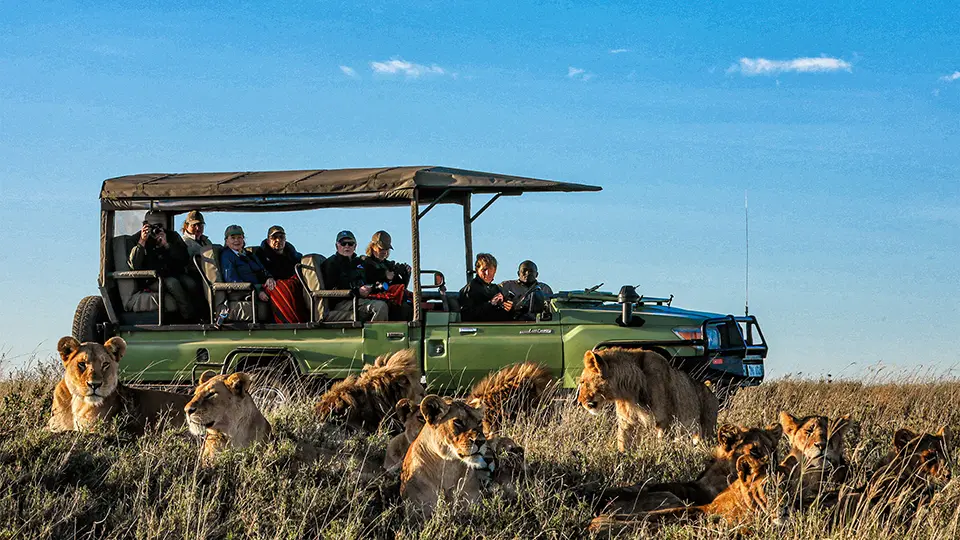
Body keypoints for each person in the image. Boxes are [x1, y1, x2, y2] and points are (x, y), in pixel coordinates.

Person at [219, 225, 303, 324]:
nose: (236, 241)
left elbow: (262, 269)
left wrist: (269, 278)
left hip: (261, 286)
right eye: (233, 238)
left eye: (239, 237)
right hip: (247, 291)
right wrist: (257, 291)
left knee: (289, 285)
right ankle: (288, 323)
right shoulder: (227, 256)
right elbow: (232, 280)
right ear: (226, 241)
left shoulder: (248, 254)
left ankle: (299, 319)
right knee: (280, 290)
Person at [128, 209, 202, 322]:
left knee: (191, 283)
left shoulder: (172, 236)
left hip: (173, 272)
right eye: (152, 226)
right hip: (152, 278)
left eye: (159, 226)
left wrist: (167, 245)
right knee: (173, 284)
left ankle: (202, 314)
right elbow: (134, 265)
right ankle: (189, 318)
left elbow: (184, 258)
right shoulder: (137, 238)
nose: (155, 230)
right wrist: (142, 241)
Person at [320, 230, 389, 322]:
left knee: (393, 302)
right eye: (343, 243)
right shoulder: (331, 264)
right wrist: (357, 291)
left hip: (359, 299)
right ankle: (376, 336)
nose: (347, 246)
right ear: (337, 246)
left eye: (350, 243)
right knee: (380, 307)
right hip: (342, 302)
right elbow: (331, 290)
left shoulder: (359, 263)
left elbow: (372, 277)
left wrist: (381, 281)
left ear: (355, 246)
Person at [254, 225, 307, 323]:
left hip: (291, 282)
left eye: (281, 237)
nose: (278, 240)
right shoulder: (259, 254)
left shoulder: (294, 255)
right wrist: (267, 277)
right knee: (279, 288)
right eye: (274, 237)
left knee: (297, 286)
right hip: (271, 284)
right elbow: (258, 270)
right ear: (268, 239)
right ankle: (288, 322)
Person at [361, 230, 413, 320]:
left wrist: (405, 275)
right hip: (372, 298)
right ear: (372, 247)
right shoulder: (364, 262)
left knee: (408, 306)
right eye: (381, 249)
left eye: (386, 249)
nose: (384, 252)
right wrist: (384, 276)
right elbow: (365, 281)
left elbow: (399, 288)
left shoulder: (389, 265)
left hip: (389, 299)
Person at [459, 253, 513, 322]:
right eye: (484, 269)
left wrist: (508, 308)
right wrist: (490, 304)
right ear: (477, 270)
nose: (487, 273)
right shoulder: (470, 289)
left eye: (490, 269)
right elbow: (466, 315)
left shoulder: (495, 289)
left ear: (495, 271)